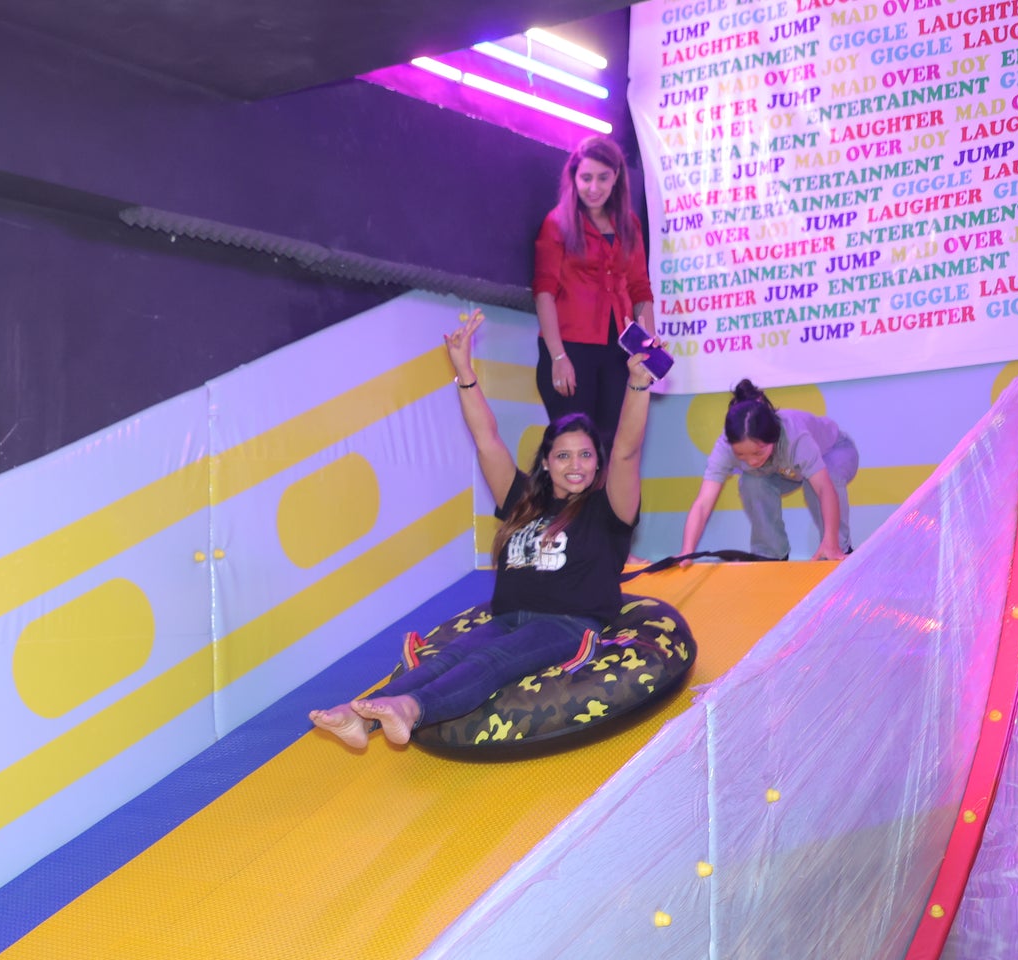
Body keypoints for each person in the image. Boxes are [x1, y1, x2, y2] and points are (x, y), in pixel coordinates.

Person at [309, 310, 658, 750]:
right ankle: (360, 716)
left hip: (568, 624)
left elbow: (627, 450)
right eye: (564, 456)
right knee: (452, 656)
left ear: (597, 463)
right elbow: (487, 439)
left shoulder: (609, 510)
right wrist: (464, 372)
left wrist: (639, 383)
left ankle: (412, 710)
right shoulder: (524, 502)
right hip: (510, 616)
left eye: (586, 456)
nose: (576, 465)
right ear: (547, 462)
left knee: (494, 659)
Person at [533, 135, 655, 454]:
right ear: (574, 178)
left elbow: (641, 288)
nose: (594, 187)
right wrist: (557, 357)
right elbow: (544, 292)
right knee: (576, 446)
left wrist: (649, 352)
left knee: (616, 448)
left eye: (603, 178)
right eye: (586, 177)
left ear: (617, 178)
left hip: (620, 351)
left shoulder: (630, 224)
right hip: (570, 349)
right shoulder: (556, 222)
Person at [678, 380, 860, 562]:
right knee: (751, 481)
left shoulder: (795, 437)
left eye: (758, 452)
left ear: (773, 437)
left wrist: (831, 541)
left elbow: (824, 489)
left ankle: (837, 549)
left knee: (821, 482)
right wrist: (687, 551)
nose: (752, 461)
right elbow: (703, 503)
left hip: (834, 451)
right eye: (741, 455)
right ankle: (770, 555)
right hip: (785, 471)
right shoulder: (725, 446)